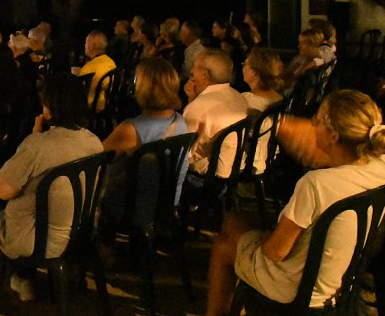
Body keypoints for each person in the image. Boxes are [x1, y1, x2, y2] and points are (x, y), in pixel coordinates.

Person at [191, 90, 385, 316]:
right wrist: (379, 141)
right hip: (343, 278)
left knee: (226, 241)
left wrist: (264, 236)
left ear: (333, 135)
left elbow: (275, 252)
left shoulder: (316, 184)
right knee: (237, 223)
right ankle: (230, 299)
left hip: (299, 287)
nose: (312, 125)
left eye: (318, 121)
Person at [0, 73, 104, 316]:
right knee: (28, 207)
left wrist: (35, 136)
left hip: (37, 241)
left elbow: (2, 189)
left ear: (50, 108)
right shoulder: (93, 142)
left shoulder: (38, 145)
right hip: (76, 236)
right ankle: (23, 279)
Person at [100, 58, 189, 235]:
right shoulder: (179, 120)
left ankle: (103, 247)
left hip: (135, 207)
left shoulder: (130, 129)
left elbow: (96, 159)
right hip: (167, 202)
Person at [182, 49, 249, 185]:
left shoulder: (199, 107)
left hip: (209, 177)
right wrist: (192, 99)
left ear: (204, 74)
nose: (191, 72)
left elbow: (184, 150)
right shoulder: (238, 97)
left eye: (194, 66)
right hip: (236, 166)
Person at [241, 48, 284, 175]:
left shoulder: (247, 101)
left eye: (245, 64)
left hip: (248, 160)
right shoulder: (278, 97)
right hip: (266, 153)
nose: (243, 68)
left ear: (254, 72)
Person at [76, 30, 116, 113]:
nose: (84, 45)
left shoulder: (89, 68)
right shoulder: (110, 62)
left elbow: (79, 88)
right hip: (106, 102)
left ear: (91, 46)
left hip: (91, 105)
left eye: (85, 42)